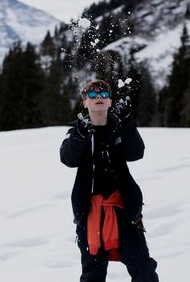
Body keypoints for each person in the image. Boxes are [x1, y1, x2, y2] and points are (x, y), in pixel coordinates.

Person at [59, 80, 159, 282]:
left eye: (104, 95)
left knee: (143, 269)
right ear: (85, 102)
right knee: (92, 275)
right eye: (93, 95)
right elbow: (67, 159)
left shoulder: (120, 127)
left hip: (124, 211)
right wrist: (80, 134)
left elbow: (136, 153)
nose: (98, 98)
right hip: (89, 214)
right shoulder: (78, 131)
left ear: (110, 102)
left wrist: (127, 122)